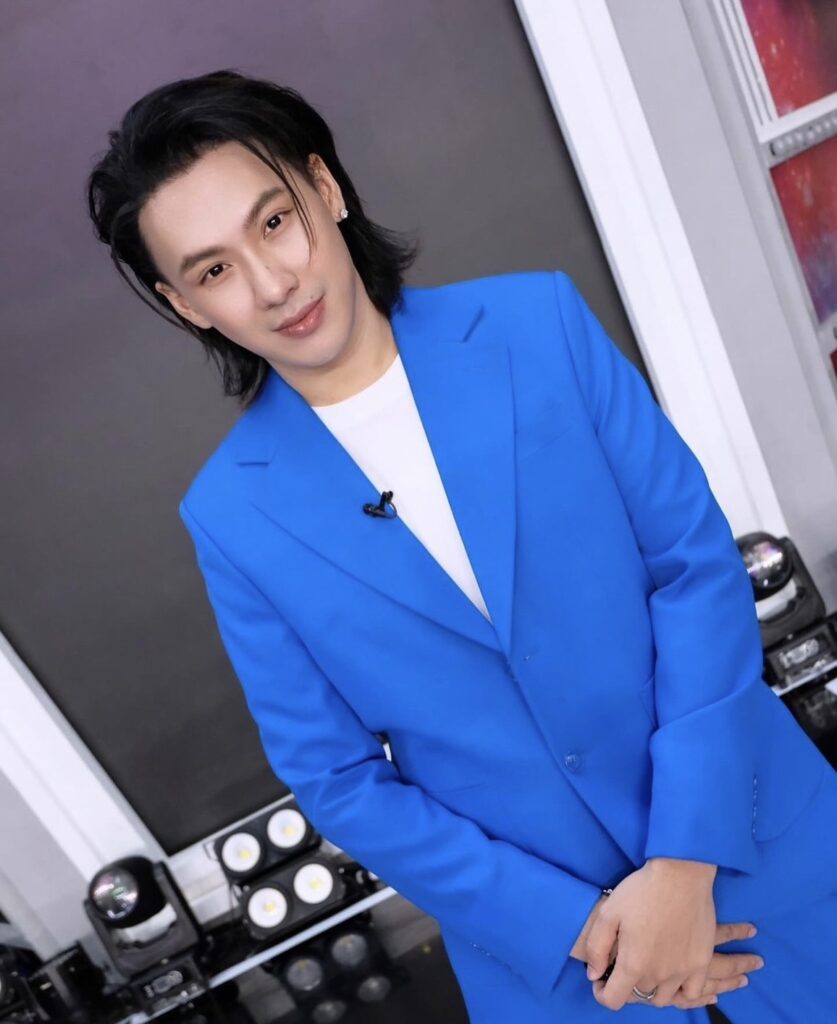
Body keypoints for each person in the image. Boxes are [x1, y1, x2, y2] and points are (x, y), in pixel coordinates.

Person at [86, 69, 837, 1022]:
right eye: (214, 271)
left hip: (766, 850)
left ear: (325, 187)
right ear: (186, 304)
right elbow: (336, 778)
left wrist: (683, 863)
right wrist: (585, 927)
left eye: (274, 222)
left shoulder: (539, 325)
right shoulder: (230, 518)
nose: (273, 284)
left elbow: (693, 571)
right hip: (559, 969)